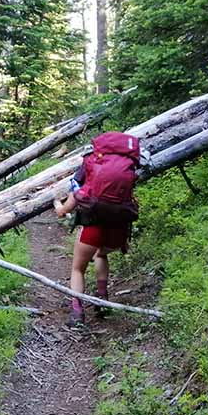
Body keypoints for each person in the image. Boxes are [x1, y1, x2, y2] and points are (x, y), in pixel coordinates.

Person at [52, 131, 141, 327]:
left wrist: (59, 206)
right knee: (101, 255)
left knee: (78, 269)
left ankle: (77, 313)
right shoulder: (128, 165)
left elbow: (75, 196)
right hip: (119, 228)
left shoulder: (90, 162)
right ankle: (102, 298)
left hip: (93, 226)